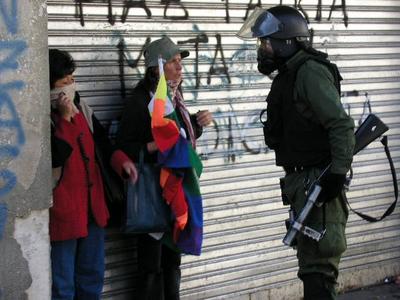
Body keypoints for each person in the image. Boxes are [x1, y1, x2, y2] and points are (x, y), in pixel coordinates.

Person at [237, 6, 355, 300]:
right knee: (310, 266)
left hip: (318, 181)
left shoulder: (309, 72)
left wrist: (337, 173)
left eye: (265, 43)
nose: (262, 50)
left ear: (285, 42)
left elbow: (340, 124)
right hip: (303, 183)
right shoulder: (290, 74)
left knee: (319, 269)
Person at [115, 36, 213, 300]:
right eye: (173, 62)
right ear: (157, 68)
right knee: (151, 264)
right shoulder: (141, 101)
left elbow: (177, 137)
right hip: (152, 194)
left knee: (172, 260)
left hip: (175, 191)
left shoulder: (173, 97)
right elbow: (123, 147)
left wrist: (197, 123)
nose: (180, 68)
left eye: (180, 62)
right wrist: (152, 147)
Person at [49, 49, 138, 300]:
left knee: (91, 276)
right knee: (62, 285)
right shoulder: (42, 115)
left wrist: (122, 162)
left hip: (92, 208)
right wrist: (65, 121)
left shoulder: (81, 106)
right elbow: (55, 156)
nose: (70, 83)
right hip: (63, 213)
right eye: (63, 79)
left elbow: (101, 142)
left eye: (71, 77)